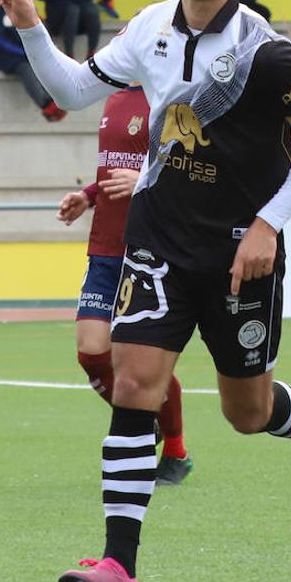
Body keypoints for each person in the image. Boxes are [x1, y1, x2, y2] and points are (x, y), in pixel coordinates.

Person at [0, 0, 291, 582]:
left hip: (239, 252)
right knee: (133, 384)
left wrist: (268, 225)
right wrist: (32, 25)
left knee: (246, 412)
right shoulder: (148, 27)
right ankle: (119, 567)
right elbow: (72, 89)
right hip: (158, 238)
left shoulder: (266, 53)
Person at [56, 85, 192, 484]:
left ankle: (176, 451)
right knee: (91, 353)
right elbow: (116, 167)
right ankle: (143, 420)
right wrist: (89, 195)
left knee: (147, 362)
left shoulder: (173, 94)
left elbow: (193, 170)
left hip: (149, 248)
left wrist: (144, 180)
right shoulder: (115, 99)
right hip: (105, 247)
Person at [0, 2, 66, 122]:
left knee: (44, 63)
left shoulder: (27, 7)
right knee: (25, 67)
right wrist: (25, 53)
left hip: (26, 51)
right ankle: (46, 104)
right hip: (2, 54)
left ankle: (55, 98)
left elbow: (39, 31)